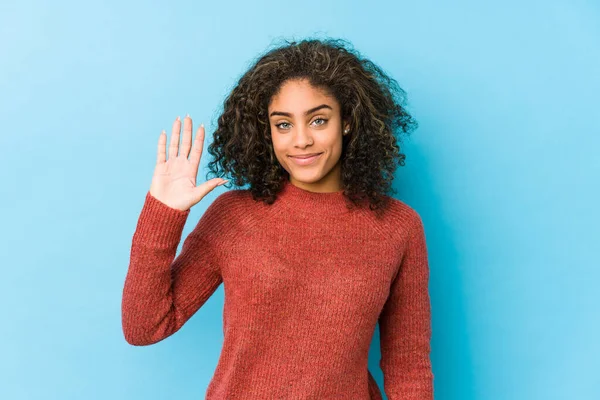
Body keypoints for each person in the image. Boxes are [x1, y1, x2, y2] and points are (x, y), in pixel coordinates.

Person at [121, 37, 433, 399]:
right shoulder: (234, 215)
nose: (301, 140)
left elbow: (408, 369)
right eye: (283, 124)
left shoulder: (398, 227)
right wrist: (164, 213)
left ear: (346, 122)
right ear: (266, 132)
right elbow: (145, 327)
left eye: (318, 120)